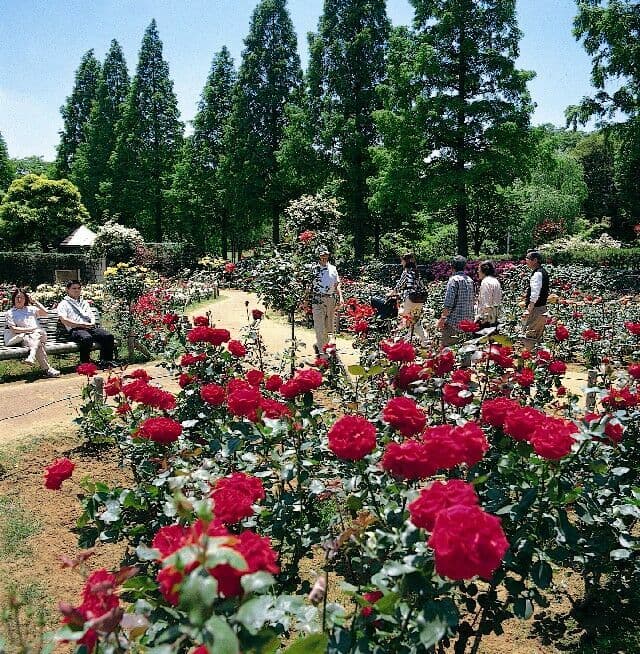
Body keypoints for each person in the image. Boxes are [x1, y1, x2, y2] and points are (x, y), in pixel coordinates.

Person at [57, 280, 116, 368]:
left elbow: (91, 315)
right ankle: (85, 364)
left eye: (78, 288)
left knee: (108, 336)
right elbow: (64, 320)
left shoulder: (84, 302)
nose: (77, 290)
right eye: (74, 288)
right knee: (86, 338)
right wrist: (81, 324)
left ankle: (106, 361)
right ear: (67, 290)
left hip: (89, 327)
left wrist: (92, 323)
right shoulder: (63, 304)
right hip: (75, 329)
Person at [4, 288, 61, 377]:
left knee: (38, 333)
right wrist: (30, 330)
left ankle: (32, 355)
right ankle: (48, 369)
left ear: (26, 299)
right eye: (17, 297)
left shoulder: (31, 309)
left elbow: (45, 313)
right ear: (13, 299)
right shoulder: (10, 313)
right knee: (38, 344)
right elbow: (14, 329)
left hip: (40, 335)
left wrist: (34, 301)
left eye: (22, 297)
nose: (19, 299)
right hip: (25, 338)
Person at [388, 252, 429, 346]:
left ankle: (403, 343)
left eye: (402, 261)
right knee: (415, 321)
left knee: (406, 320)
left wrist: (390, 294)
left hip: (411, 299)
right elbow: (422, 286)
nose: (401, 263)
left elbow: (399, 286)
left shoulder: (406, 272)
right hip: (419, 300)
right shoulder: (416, 272)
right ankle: (425, 341)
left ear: (405, 261)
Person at [436, 255, 475, 348]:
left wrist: (442, 319)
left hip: (454, 324)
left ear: (452, 266)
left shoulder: (454, 280)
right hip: (467, 323)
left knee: (447, 351)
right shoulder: (470, 280)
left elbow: (448, 303)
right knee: (465, 351)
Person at [310, 248, 343, 355]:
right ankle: (322, 354)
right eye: (322, 255)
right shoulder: (314, 269)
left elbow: (337, 284)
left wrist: (341, 297)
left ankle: (319, 346)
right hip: (318, 299)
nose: (324, 257)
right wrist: (305, 300)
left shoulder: (333, 269)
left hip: (330, 300)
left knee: (329, 328)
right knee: (319, 327)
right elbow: (309, 286)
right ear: (318, 256)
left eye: (326, 255)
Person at [521, 250, 549, 349]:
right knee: (536, 337)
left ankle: (529, 355)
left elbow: (535, 293)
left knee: (530, 337)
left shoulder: (538, 274)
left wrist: (529, 309)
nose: (526, 261)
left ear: (535, 260)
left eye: (528, 259)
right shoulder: (542, 272)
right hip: (541, 309)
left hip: (536, 310)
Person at [476, 260, 502, 329]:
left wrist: (483, 319)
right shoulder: (495, 281)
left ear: (484, 271)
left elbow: (486, 303)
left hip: (486, 320)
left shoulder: (485, 282)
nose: (478, 272)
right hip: (495, 317)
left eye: (479, 270)